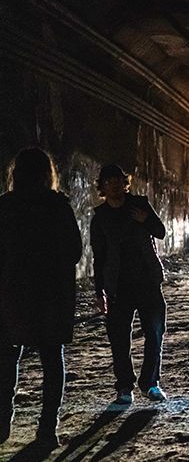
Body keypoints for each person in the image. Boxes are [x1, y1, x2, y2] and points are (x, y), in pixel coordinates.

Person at [0, 148, 82, 448]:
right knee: (51, 360)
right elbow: (75, 251)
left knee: (7, 358)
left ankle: (2, 420)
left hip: (12, 293)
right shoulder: (58, 206)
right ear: (48, 173)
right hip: (50, 295)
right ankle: (47, 429)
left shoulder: (5, 206)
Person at [90, 164, 168, 405]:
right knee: (119, 338)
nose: (114, 185)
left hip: (147, 280)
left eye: (118, 180)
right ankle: (124, 386)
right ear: (102, 186)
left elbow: (161, 232)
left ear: (125, 183)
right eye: (109, 181)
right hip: (118, 285)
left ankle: (150, 383)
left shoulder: (139, 205)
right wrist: (99, 291)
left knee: (155, 332)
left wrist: (146, 221)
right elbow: (99, 257)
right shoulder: (100, 217)